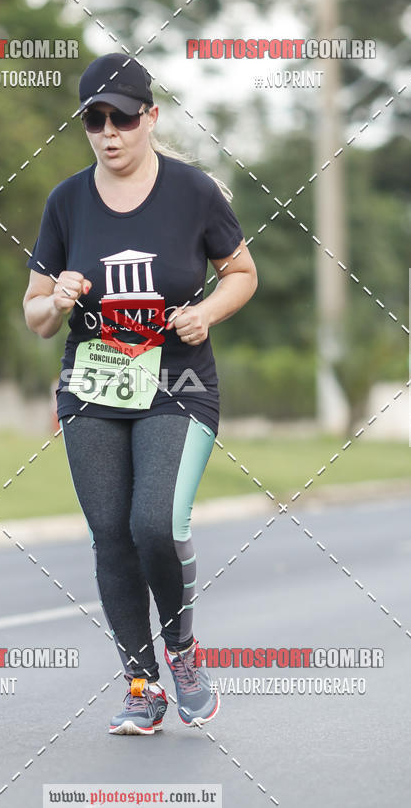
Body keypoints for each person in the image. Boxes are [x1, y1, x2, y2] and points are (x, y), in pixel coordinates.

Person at [23, 53, 258, 735]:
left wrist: (206, 313)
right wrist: (56, 299)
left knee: (153, 523)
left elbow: (241, 273)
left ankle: (180, 650)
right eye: (94, 120)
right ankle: (141, 683)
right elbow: (36, 317)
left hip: (178, 386)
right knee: (111, 538)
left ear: (150, 117)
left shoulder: (193, 193)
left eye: (122, 117)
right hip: (92, 388)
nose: (109, 132)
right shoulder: (66, 201)